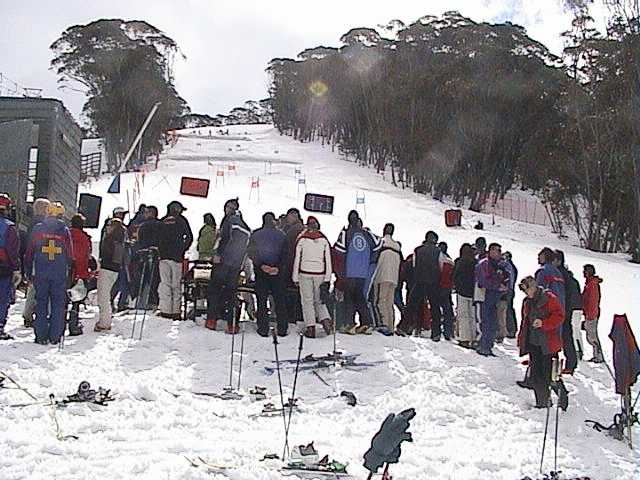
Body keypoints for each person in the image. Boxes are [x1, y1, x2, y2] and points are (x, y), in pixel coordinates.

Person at [24, 202, 73, 345]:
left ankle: (40, 336)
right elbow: (70, 254)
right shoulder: (64, 231)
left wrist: (28, 270)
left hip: (41, 272)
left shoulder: (38, 229)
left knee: (41, 303)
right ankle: (55, 336)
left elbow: (29, 252)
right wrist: (70, 272)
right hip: (59, 274)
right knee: (58, 304)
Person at [517, 276, 564, 408]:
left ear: (533, 286)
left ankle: (562, 396)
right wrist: (522, 338)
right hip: (533, 342)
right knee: (536, 374)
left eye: (528, 290)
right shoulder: (527, 302)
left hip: (548, 342)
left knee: (549, 374)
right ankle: (542, 402)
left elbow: (559, 316)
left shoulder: (549, 298)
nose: (527, 294)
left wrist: (544, 323)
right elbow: (525, 322)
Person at [332, 210, 381, 334]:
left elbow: (338, 251)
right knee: (360, 297)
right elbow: (379, 244)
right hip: (363, 272)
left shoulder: (345, 234)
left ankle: (350, 323)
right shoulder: (367, 234)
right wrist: (370, 260)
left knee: (349, 297)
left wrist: (339, 271)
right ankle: (367, 323)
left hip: (349, 271)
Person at [207, 198, 250, 334]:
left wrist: (218, 254)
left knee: (214, 290)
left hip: (223, 262)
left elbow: (223, 239)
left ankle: (212, 320)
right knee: (232, 293)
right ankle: (232, 324)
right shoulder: (244, 226)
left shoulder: (229, 221)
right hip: (236, 265)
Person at [247, 212, 287, 337]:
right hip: (277, 273)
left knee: (262, 300)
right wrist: (277, 267)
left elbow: (251, 252)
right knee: (279, 300)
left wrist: (261, 265)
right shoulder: (282, 235)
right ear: (273, 221)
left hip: (261, 272)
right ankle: (282, 328)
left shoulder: (255, 234)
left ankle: (263, 328)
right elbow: (286, 254)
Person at [292, 216, 333, 338]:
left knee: (307, 301)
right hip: (320, 274)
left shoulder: (302, 240)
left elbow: (297, 259)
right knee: (319, 300)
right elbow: (328, 261)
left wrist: (295, 277)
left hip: (304, 273)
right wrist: (327, 278)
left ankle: (311, 328)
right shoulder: (324, 240)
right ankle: (327, 323)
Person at [403, 231, 443, 340]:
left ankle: (404, 327)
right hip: (433, 282)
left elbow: (414, 265)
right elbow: (441, 267)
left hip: (419, 281)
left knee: (411, 305)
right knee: (435, 308)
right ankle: (436, 333)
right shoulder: (438, 251)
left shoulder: (418, 250)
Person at [158, 201, 193, 319]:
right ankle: (176, 312)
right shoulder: (182, 220)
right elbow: (189, 237)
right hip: (177, 257)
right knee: (176, 285)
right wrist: (182, 249)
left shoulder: (162, 220)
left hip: (163, 257)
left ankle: (165, 310)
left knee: (165, 284)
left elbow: (157, 238)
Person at [475, 243, 510, 356]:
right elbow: (483, 281)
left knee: (493, 323)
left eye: (500, 251)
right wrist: (497, 286)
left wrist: (504, 283)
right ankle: (483, 346)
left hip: (495, 297)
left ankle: (488, 345)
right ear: (491, 251)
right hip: (485, 297)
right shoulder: (483, 264)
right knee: (486, 322)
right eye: (497, 251)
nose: (500, 253)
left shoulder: (499, 265)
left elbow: (504, 277)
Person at [22, 198, 50, 328]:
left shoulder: (32, 223)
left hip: (33, 257)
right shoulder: (43, 224)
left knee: (32, 287)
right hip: (41, 259)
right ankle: (31, 314)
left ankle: (27, 314)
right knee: (37, 288)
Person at [94, 218, 126, 332]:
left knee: (103, 296)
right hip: (115, 270)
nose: (107, 228)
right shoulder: (121, 240)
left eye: (109, 225)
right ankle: (105, 320)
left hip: (107, 268)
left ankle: (104, 322)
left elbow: (106, 254)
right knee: (106, 296)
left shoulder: (110, 240)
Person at [553, 250, 582, 374]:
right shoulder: (563, 274)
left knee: (565, 335)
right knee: (565, 335)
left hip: (564, 309)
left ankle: (570, 363)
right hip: (565, 308)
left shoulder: (561, 275)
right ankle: (568, 361)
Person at [371, 223, 403, 333]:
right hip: (394, 277)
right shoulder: (397, 248)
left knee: (381, 300)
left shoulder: (381, 243)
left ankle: (383, 324)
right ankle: (391, 325)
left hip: (382, 275)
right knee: (390, 302)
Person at [68, 214, 92, 336]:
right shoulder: (85, 238)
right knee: (76, 301)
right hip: (80, 272)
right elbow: (86, 256)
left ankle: (58, 324)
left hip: (66, 271)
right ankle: (73, 325)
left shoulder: (65, 234)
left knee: (61, 300)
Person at [0, 194, 20, 340]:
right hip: (3, 267)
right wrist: (16, 267)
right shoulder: (9, 227)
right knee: (2, 298)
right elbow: (12, 250)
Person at [136, 206, 162, 309]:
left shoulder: (143, 226)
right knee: (155, 278)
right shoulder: (161, 225)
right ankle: (154, 301)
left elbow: (140, 241)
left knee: (144, 278)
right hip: (157, 253)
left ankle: (143, 302)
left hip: (144, 254)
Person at [281, 208, 305, 325]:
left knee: (289, 292)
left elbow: (287, 248)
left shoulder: (293, 230)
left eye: (289, 217)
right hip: (300, 266)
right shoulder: (301, 229)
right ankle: (297, 316)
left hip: (290, 266)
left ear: (294, 216)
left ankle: (291, 316)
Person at [453, 243, 476, 348]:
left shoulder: (459, 261)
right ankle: (473, 338)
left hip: (462, 292)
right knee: (473, 316)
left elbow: (455, 275)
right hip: (473, 293)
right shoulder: (475, 263)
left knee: (463, 316)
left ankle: (464, 339)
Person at [582, 264, 604, 363]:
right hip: (590, 313)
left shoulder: (592, 285)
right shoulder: (590, 283)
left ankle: (598, 356)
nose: (583, 272)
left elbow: (592, 301)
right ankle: (597, 355)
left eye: (585, 271)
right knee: (591, 335)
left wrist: (589, 314)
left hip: (591, 314)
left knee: (592, 336)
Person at [438, 242, 455, 340]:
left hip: (438, 286)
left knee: (436, 308)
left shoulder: (438, 258)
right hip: (447, 288)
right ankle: (448, 331)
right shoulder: (450, 260)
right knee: (447, 310)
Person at [502, 251, 518, 338]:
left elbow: (510, 279)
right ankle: (512, 328)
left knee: (507, 309)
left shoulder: (508, 266)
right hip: (511, 290)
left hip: (508, 290)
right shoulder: (512, 266)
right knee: (510, 308)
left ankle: (511, 329)